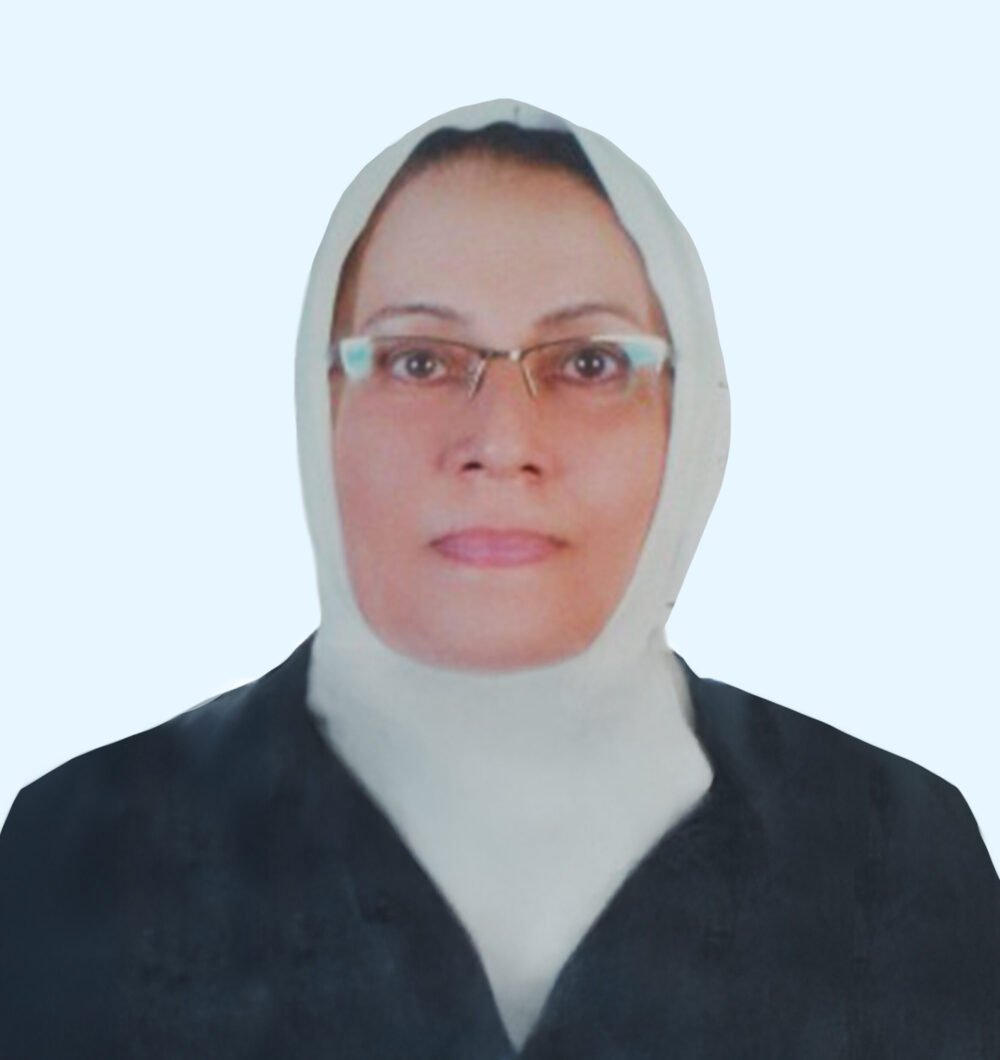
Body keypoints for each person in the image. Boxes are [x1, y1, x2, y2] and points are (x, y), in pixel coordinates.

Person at [1, 99, 996, 1058]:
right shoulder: (81, 853)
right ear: (321, 407)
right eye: (419, 361)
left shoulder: (896, 851)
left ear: (688, 422)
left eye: (590, 363)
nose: (501, 440)